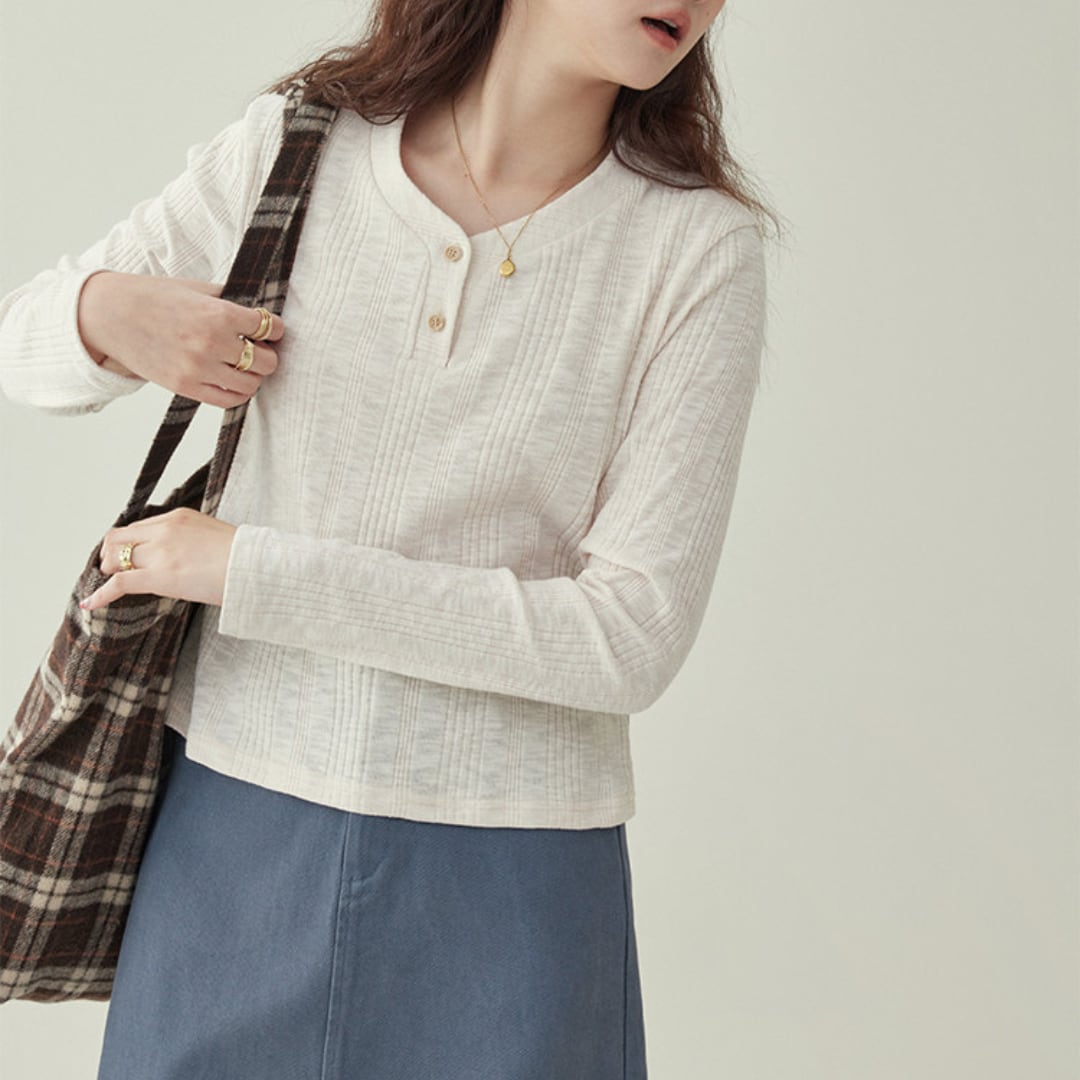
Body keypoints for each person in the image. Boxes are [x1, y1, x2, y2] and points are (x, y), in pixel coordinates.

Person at [0, 0, 779, 1076]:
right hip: (230, 840)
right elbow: (23, 347)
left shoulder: (694, 248)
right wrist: (107, 312)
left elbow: (628, 637)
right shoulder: (300, 150)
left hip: (515, 883)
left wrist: (246, 569)